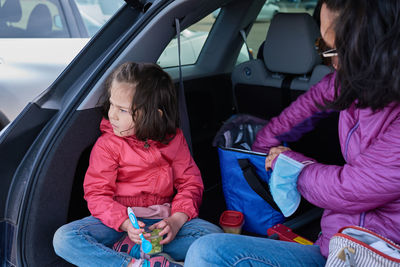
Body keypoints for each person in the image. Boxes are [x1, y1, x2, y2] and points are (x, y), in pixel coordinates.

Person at [185, 0, 400, 266]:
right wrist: (262, 145)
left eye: (333, 48)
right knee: (206, 251)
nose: (330, 62)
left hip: (382, 252)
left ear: (373, 46)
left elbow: (350, 188)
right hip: (334, 246)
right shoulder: (355, 82)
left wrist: (291, 165)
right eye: (322, 46)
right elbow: (309, 106)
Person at [53, 62, 223, 267]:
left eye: (123, 110)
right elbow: (97, 194)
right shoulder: (107, 145)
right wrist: (124, 222)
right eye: (112, 105)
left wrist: (176, 221)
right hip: (116, 224)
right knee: (64, 239)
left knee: (214, 237)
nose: (112, 115)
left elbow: (190, 184)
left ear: (154, 114)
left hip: (161, 223)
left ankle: (134, 250)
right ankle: (132, 264)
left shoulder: (174, 140)